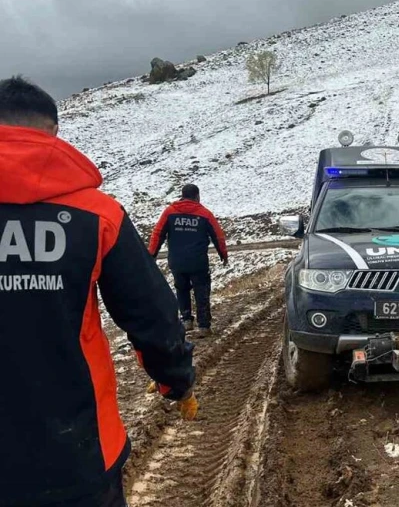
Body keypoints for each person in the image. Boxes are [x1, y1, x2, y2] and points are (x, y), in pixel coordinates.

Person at [0, 76, 198, 507]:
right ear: (52, 133)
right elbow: (151, 314)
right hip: (78, 454)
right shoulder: (98, 215)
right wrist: (176, 381)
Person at [149, 184, 228, 337]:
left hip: (177, 262)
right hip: (198, 262)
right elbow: (218, 235)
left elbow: (158, 233)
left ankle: (186, 320)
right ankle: (204, 326)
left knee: (181, 289)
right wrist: (223, 254)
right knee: (202, 291)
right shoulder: (204, 214)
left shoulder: (170, 212)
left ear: (182, 195)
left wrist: (151, 255)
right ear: (197, 196)